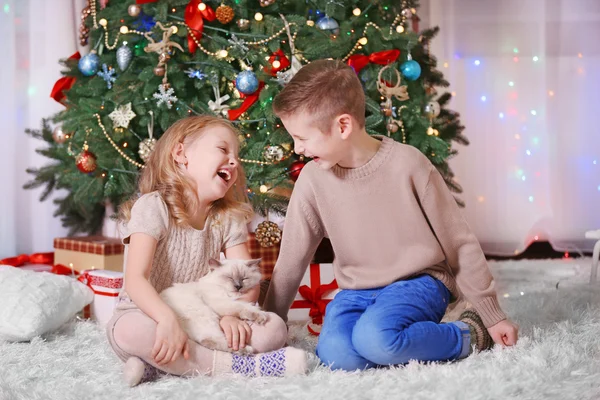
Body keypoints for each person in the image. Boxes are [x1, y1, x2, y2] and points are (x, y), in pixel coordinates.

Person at [263, 60, 518, 371]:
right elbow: (292, 258)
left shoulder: (408, 164)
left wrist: (491, 313)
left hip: (419, 282)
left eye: (302, 138)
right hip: (356, 292)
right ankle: (394, 343)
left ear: (343, 126)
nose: (297, 148)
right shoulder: (312, 179)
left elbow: (458, 242)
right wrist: (270, 323)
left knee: (377, 340)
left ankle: (469, 334)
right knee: (336, 355)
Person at [106, 115, 307, 386]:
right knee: (130, 332)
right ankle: (244, 367)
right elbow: (136, 279)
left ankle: (161, 367)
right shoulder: (152, 207)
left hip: (206, 314)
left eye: (237, 156)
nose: (234, 161)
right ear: (181, 153)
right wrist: (166, 319)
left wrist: (228, 314)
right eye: (223, 150)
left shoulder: (228, 217)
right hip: (149, 313)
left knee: (273, 328)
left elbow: (248, 284)